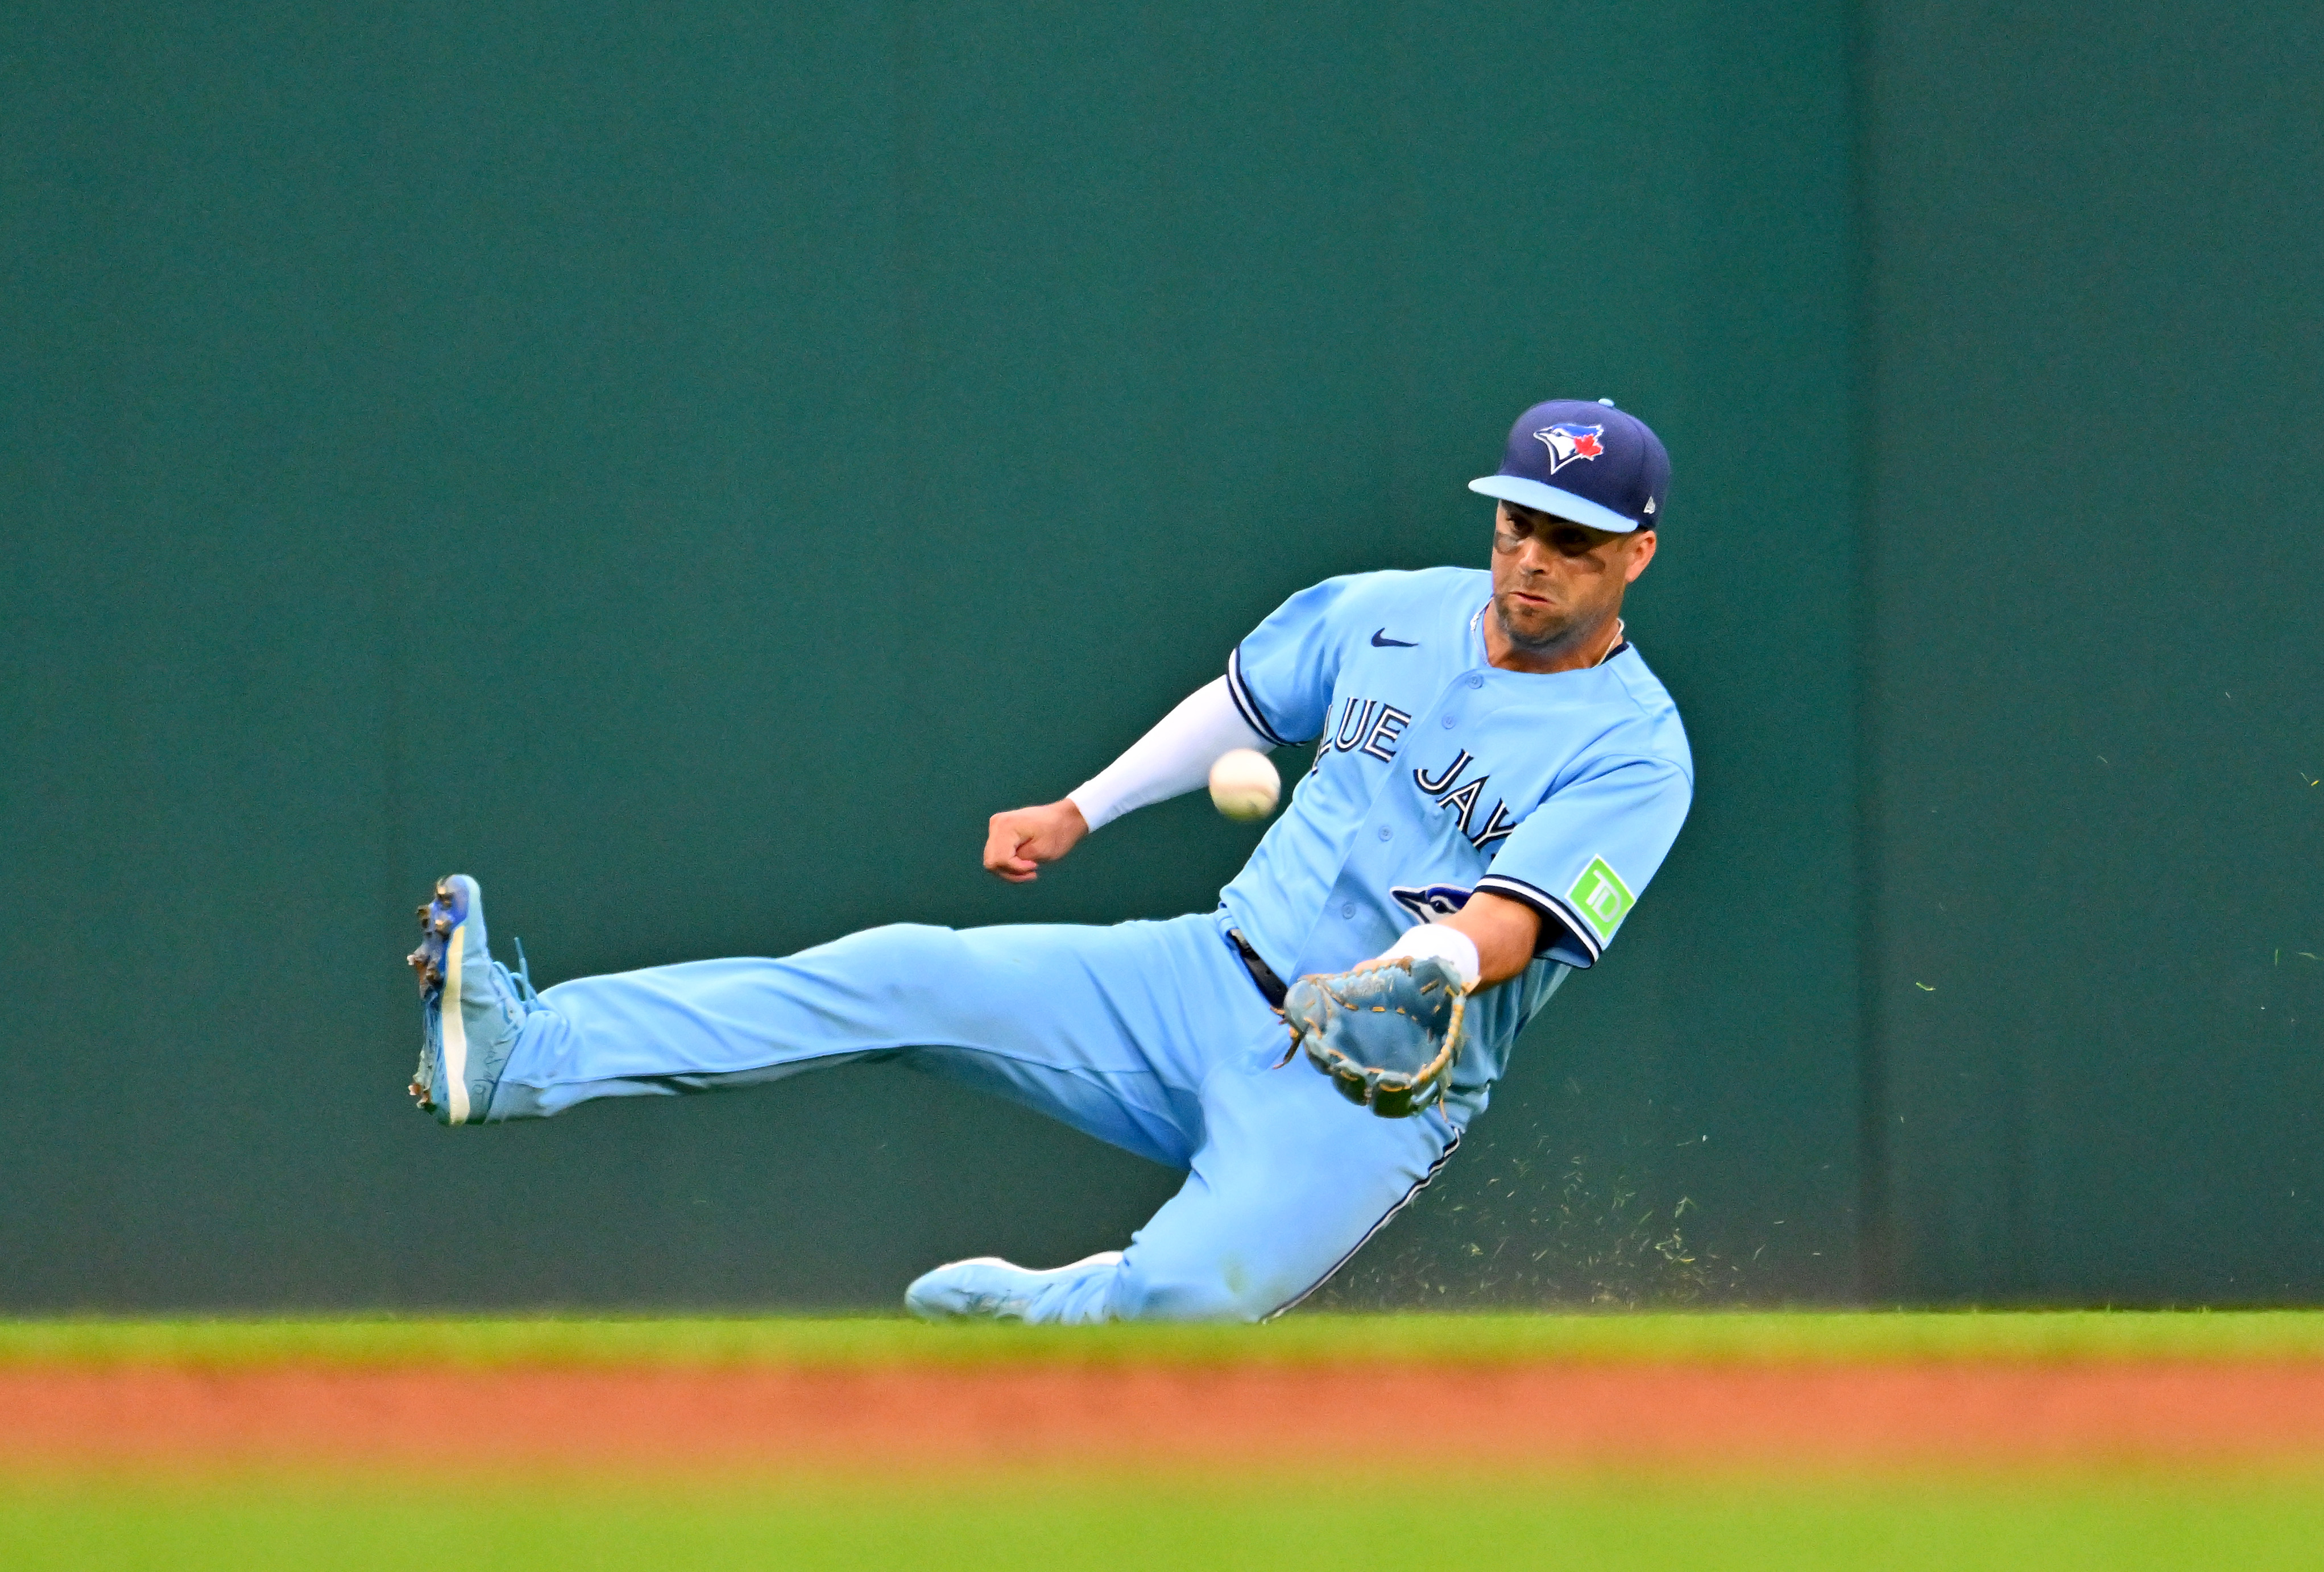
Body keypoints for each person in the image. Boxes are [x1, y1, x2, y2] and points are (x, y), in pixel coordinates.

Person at [403, 399, 1693, 1324]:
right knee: (901, 971)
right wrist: (1084, 809)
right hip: (1195, 980)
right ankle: (524, 1052)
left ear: (1633, 555)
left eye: (1573, 540)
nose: (1532, 556)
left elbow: (1515, 922)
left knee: (1189, 1305)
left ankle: (1074, 1309)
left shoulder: (1636, 751)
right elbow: (1243, 709)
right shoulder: (1387, 611)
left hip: (1358, 1094)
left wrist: (1425, 968)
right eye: (1519, 521)